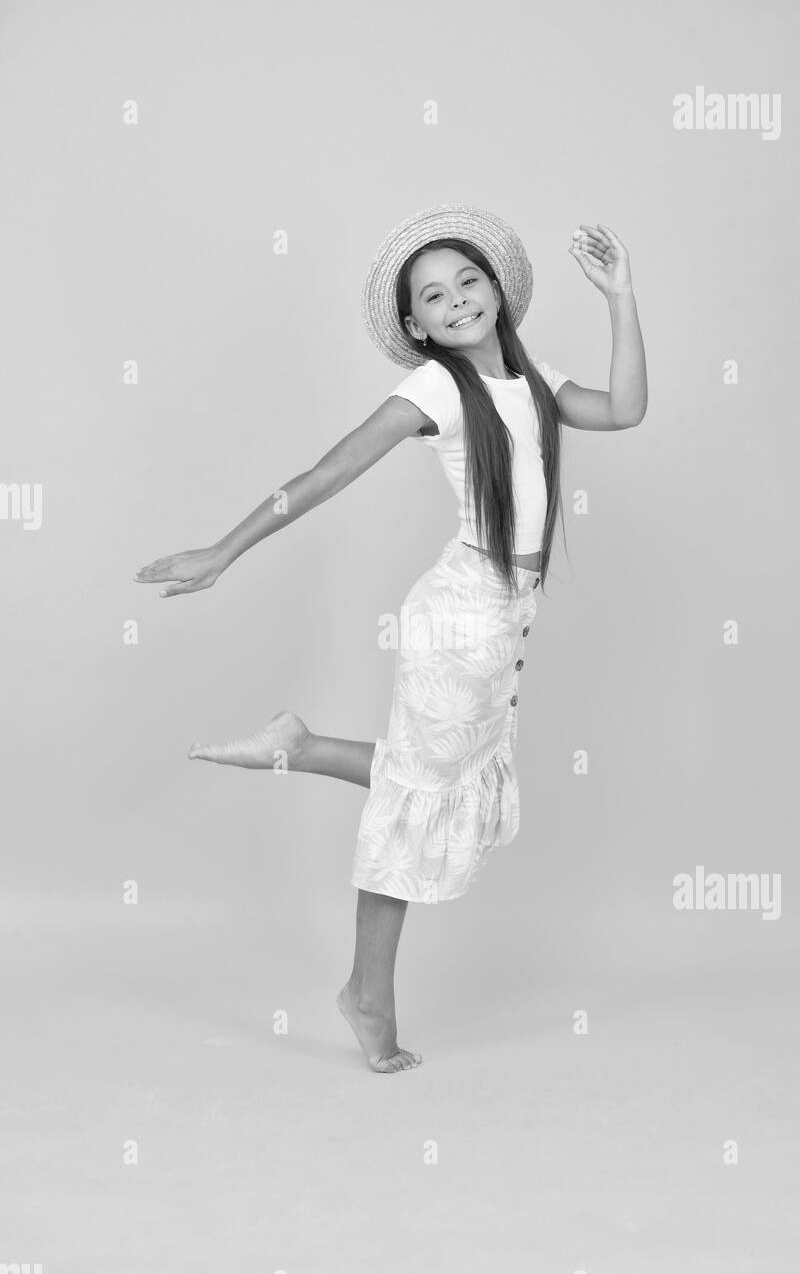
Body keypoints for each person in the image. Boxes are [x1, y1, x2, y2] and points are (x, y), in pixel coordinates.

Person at [134, 202, 647, 1074]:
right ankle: (366, 994)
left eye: (467, 281)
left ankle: (297, 746)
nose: (456, 301)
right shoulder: (436, 389)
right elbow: (325, 474)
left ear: (495, 289)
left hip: (501, 611)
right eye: (433, 296)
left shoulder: (531, 379)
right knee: (415, 800)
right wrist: (226, 549)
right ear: (416, 325)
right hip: (461, 615)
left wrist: (619, 297)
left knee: (430, 780)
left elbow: (624, 409)